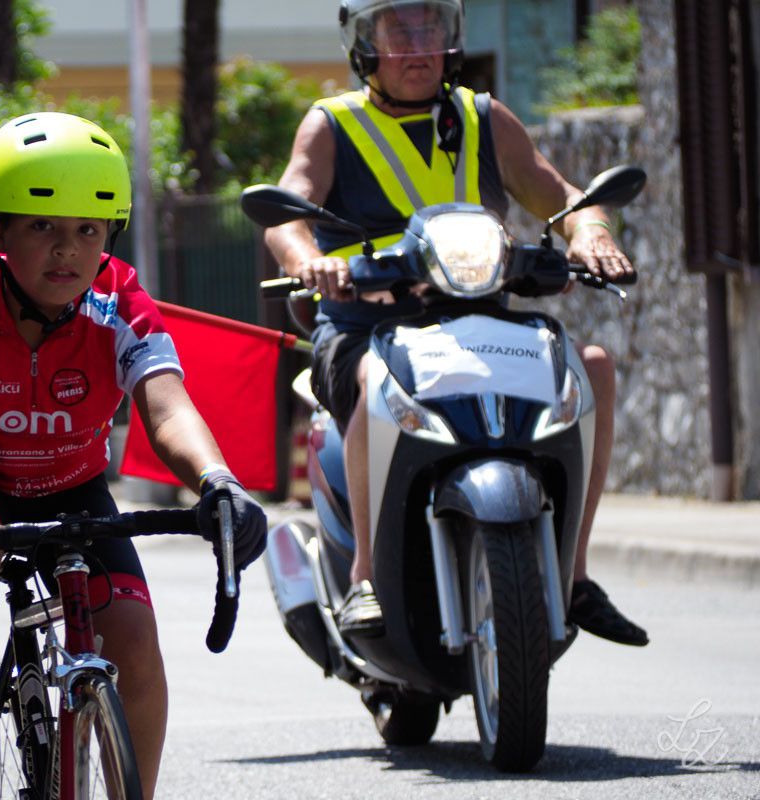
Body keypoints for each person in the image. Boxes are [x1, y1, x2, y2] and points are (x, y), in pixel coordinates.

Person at [0, 111, 269, 800]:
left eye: (89, 230)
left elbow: (167, 406)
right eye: (42, 227)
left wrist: (219, 482)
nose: (67, 250)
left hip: (76, 490)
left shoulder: (119, 300)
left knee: (134, 637)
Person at [263, 0, 647, 646]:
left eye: (431, 28)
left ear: (452, 38)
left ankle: (575, 575)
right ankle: (365, 578)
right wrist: (309, 262)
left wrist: (592, 233)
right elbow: (287, 214)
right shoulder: (331, 124)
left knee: (594, 367)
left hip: (479, 322)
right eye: (399, 30)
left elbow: (564, 198)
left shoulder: (484, 117)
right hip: (364, 327)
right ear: (364, 43)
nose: (418, 45)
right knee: (375, 377)